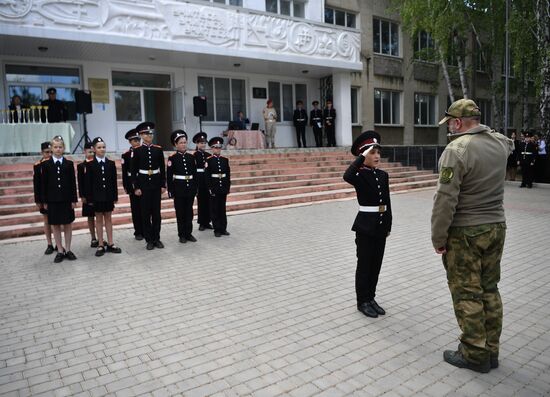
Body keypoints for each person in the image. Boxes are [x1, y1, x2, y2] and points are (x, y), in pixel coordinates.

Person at [432, 99, 513, 373]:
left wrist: (438, 237)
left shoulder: (456, 150)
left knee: (467, 292)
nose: (449, 130)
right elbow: (507, 143)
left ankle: (474, 354)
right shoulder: (501, 143)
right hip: (496, 226)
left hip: (465, 231)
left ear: (457, 122)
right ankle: (491, 351)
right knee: (490, 289)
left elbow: (445, 198)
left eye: (450, 124)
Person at [343, 131, 392, 319]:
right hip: (365, 228)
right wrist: (360, 158)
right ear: (363, 155)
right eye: (372, 153)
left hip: (380, 227)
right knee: (364, 265)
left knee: (376, 265)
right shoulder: (358, 175)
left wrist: (388, 225)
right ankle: (362, 301)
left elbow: (387, 202)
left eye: (378, 152)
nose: (377, 156)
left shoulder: (383, 175)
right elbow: (347, 175)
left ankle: (371, 298)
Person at [40, 136, 77, 263]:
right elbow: (43, 184)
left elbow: (73, 183)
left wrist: (74, 199)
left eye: (60, 147)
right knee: (55, 225)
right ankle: (60, 250)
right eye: (55, 147)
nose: (58, 149)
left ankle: (68, 249)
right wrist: (44, 201)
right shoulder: (45, 165)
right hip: (53, 200)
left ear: (64, 148)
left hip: (66, 199)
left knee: (68, 224)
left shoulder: (69, 164)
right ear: (51, 148)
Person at [131, 122, 166, 250]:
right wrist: (136, 187)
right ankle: (149, 239)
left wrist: (163, 184)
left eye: (150, 133)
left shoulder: (158, 149)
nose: (149, 135)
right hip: (144, 185)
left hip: (156, 184)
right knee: (145, 213)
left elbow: (162, 168)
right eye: (146, 133)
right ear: (141, 135)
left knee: (156, 213)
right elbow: (133, 171)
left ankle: (156, 238)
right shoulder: (137, 151)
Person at [85, 137, 122, 256]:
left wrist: (115, 196)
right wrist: (89, 199)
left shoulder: (110, 163)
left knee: (109, 219)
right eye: (99, 147)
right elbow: (88, 184)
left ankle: (110, 243)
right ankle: (101, 244)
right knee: (99, 220)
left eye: (103, 147)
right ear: (94, 149)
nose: (102, 149)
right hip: (96, 197)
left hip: (108, 196)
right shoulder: (90, 165)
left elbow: (113, 181)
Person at [167, 130, 198, 244]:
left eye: (185, 142)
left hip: (190, 188)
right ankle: (182, 235)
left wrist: (196, 188)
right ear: (175, 144)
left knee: (189, 212)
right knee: (180, 213)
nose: (183, 144)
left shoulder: (191, 157)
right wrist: (170, 191)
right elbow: (169, 176)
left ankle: (188, 233)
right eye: (181, 142)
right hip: (179, 189)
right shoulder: (172, 158)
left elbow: (194, 174)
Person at [206, 137, 231, 237]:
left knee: (222, 209)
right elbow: (207, 176)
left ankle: (223, 228)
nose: (217, 149)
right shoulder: (209, 160)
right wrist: (210, 188)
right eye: (215, 148)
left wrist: (227, 187)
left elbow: (228, 174)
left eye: (219, 147)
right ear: (212, 149)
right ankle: (217, 229)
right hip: (214, 188)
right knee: (215, 209)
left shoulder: (225, 160)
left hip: (223, 188)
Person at [121, 128, 144, 240]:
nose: (137, 142)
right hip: (132, 183)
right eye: (135, 141)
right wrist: (126, 185)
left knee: (145, 208)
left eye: (138, 140)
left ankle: (145, 229)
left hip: (143, 181)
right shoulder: (126, 155)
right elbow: (125, 172)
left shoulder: (143, 151)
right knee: (135, 209)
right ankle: (138, 231)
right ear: (130, 142)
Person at [33, 141, 54, 254]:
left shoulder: (55, 163)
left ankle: (59, 243)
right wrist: (38, 199)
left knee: (56, 221)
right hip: (43, 197)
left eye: (51, 152)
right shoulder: (38, 165)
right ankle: (49, 244)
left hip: (55, 197)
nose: (49, 154)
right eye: (47, 152)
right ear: (42, 152)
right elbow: (36, 183)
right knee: (46, 220)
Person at [77, 141, 98, 248]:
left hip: (98, 195)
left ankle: (100, 236)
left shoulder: (97, 163)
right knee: (90, 217)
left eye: (92, 151)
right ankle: (93, 237)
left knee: (99, 216)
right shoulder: (81, 166)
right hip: (87, 196)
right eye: (88, 151)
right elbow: (80, 182)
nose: (91, 154)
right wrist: (82, 196)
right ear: (84, 152)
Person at [193, 132, 213, 231]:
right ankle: (201, 222)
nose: (203, 145)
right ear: (197, 144)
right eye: (201, 143)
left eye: (204, 143)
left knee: (209, 201)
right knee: (201, 202)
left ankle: (208, 221)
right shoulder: (194, 155)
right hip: (199, 180)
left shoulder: (209, 155)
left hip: (207, 180)